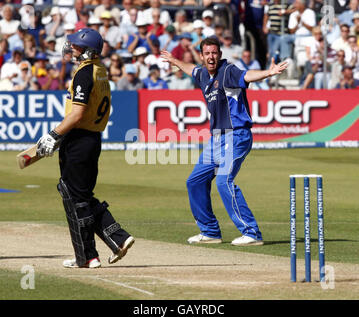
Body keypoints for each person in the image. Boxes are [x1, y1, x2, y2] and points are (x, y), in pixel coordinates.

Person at [161, 37, 287, 246]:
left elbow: (248, 76)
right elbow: (190, 68)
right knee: (195, 182)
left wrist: (268, 73)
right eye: (207, 53)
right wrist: (175, 61)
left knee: (223, 180)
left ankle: (251, 232)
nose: (211, 57)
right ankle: (210, 231)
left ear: (219, 54)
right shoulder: (202, 74)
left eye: (214, 53)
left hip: (236, 135)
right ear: (202, 56)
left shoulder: (228, 71)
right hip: (216, 138)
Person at [36, 28, 135, 268]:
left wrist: (54, 135)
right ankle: (112, 241)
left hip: (79, 140)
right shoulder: (101, 70)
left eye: (75, 47)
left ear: (87, 51)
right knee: (80, 194)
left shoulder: (84, 73)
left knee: (74, 197)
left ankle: (89, 256)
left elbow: (78, 113)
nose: (70, 49)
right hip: (91, 139)